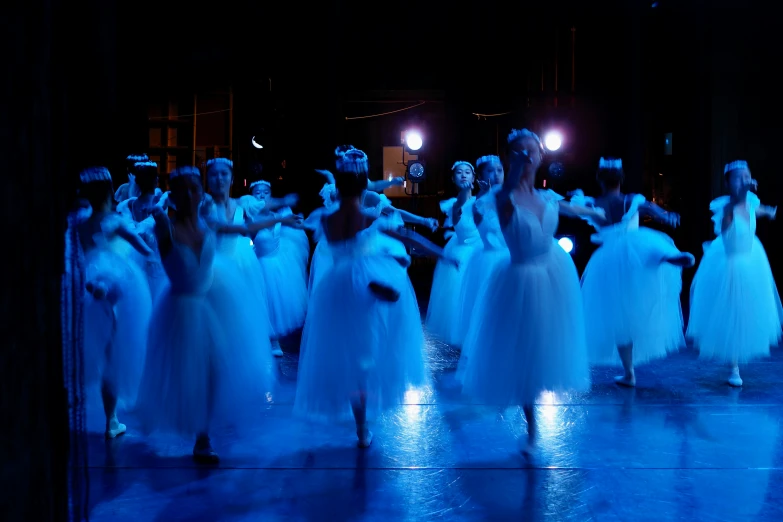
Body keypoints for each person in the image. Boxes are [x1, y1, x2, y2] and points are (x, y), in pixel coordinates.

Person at [295, 146, 457, 447]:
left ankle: (360, 424)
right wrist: (441, 253)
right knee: (369, 348)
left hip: (337, 286)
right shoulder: (367, 216)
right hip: (364, 282)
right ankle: (363, 418)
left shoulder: (327, 218)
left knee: (349, 352)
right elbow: (407, 236)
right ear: (363, 185)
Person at [460, 129, 605, 459]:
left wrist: (596, 213)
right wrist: (513, 170)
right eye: (519, 153)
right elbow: (506, 190)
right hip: (520, 279)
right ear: (510, 159)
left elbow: (575, 210)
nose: (527, 157)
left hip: (553, 274)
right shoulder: (501, 196)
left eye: (532, 151)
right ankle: (532, 427)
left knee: (546, 345)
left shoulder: (548, 197)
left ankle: (536, 408)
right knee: (523, 348)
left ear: (541, 156)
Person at [135, 166, 295, 462]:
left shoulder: (208, 221)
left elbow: (244, 229)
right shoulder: (164, 224)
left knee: (217, 368)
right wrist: (159, 208)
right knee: (190, 373)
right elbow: (147, 223)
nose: (191, 195)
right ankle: (201, 436)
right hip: (182, 307)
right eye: (183, 190)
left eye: (195, 189)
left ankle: (206, 430)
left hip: (214, 297)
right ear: (173, 195)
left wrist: (282, 217)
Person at [574, 157, 694, 387]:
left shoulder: (593, 202)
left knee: (619, 317)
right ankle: (668, 256)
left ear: (600, 179)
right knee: (648, 251)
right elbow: (653, 209)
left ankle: (629, 373)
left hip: (608, 262)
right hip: (633, 252)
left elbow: (577, 209)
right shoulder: (631, 200)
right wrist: (667, 216)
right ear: (621, 179)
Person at [688, 160, 781, 387]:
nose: (744, 181)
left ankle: (738, 359)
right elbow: (731, 224)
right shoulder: (726, 210)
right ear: (728, 182)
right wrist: (747, 196)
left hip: (752, 260)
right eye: (738, 178)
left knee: (750, 310)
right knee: (733, 311)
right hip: (731, 265)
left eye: (747, 176)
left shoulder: (750, 203)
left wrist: (768, 211)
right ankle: (734, 365)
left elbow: (755, 208)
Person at [76, 166, 153, 439]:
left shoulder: (81, 223)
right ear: (110, 192)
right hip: (118, 287)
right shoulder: (115, 221)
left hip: (89, 285)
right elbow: (144, 248)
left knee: (99, 348)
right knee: (116, 351)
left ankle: (108, 418)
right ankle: (112, 420)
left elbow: (78, 255)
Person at [426, 161, 482, 346]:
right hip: (462, 251)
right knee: (458, 297)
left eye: (468, 172)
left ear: (474, 177)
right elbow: (458, 214)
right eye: (459, 172)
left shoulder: (482, 200)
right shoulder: (453, 204)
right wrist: (465, 194)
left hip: (481, 251)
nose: (464, 175)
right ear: (453, 178)